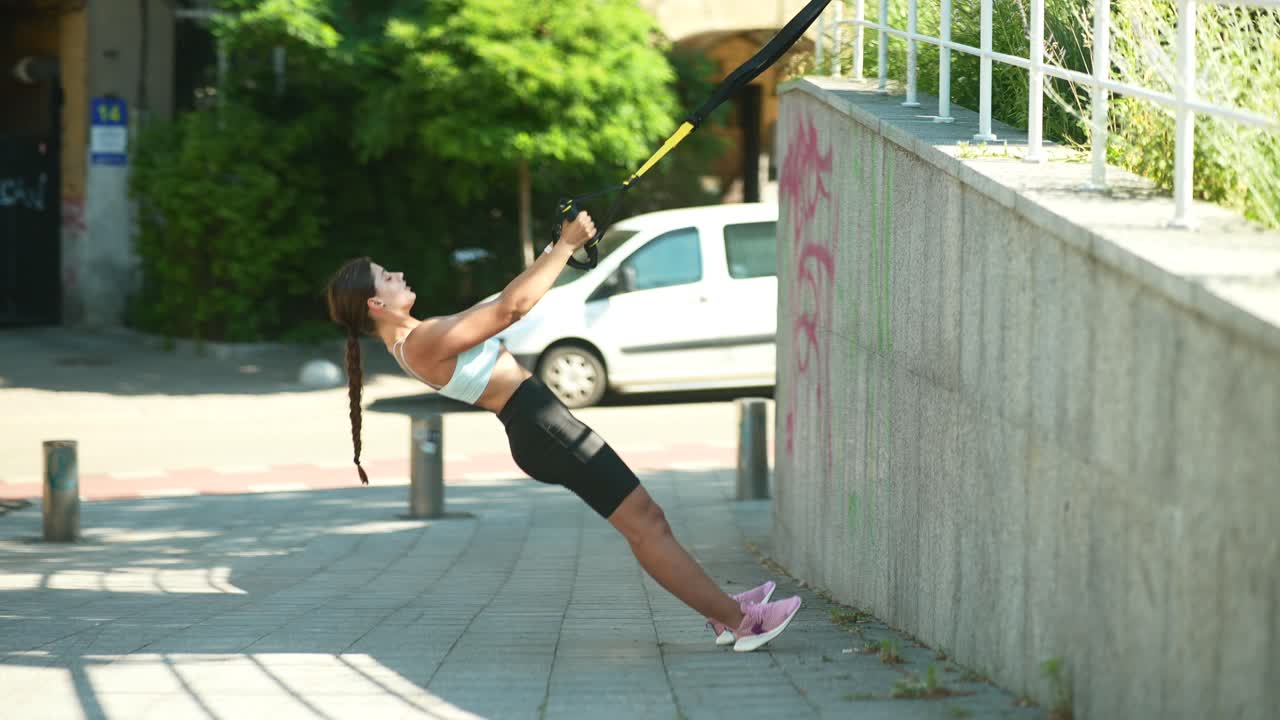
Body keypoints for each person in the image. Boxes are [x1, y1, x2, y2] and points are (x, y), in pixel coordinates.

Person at [324, 211, 801, 652]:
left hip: (540, 422)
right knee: (645, 524)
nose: (399, 276)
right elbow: (511, 309)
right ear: (375, 302)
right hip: (541, 426)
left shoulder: (415, 338)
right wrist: (565, 247)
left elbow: (500, 302)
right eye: (388, 277)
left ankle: (721, 610)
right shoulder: (421, 340)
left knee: (647, 520)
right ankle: (740, 621)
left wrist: (555, 250)